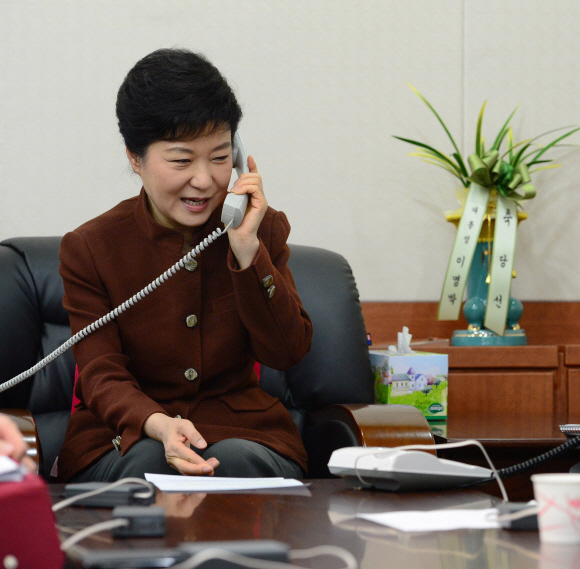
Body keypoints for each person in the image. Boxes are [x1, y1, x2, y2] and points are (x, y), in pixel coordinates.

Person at [55, 48, 312, 483]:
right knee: (149, 466)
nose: (205, 180)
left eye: (218, 156)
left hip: (242, 434)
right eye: (181, 160)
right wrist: (157, 424)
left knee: (234, 463)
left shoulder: (259, 231)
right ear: (135, 159)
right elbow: (101, 374)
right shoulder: (90, 248)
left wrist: (248, 251)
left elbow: (287, 352)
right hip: (128, 437)